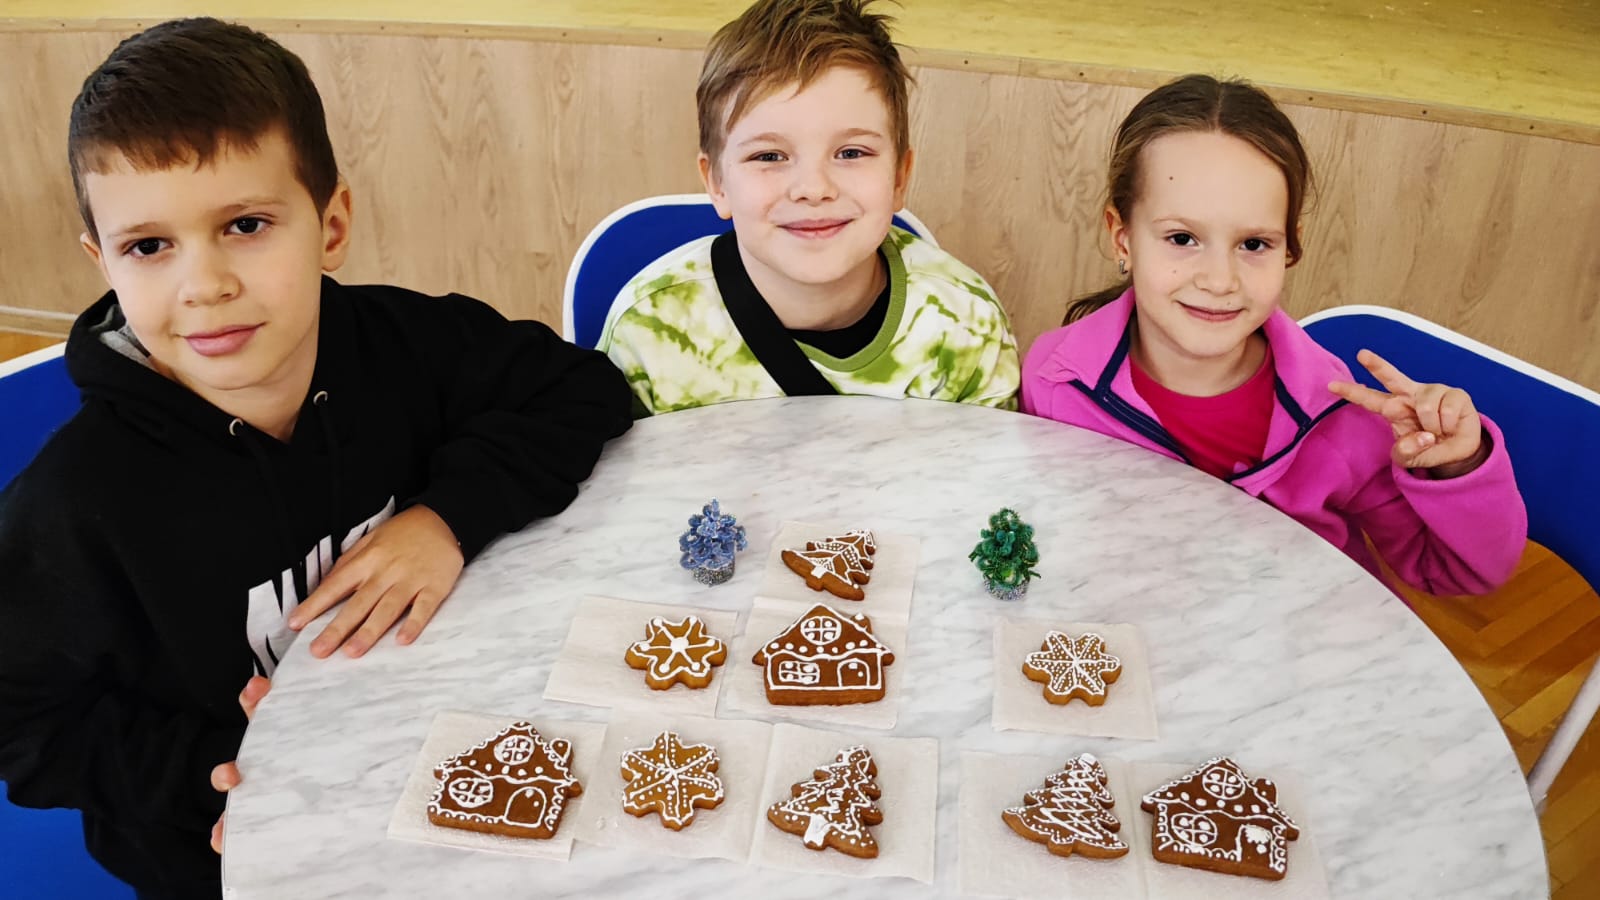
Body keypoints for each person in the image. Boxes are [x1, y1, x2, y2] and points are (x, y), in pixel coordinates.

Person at [0, 18, 632, 898]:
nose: (205, 284)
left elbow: (581, 390)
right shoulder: (74, 502)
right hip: (232, 848)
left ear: (331, 225)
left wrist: (444, 519)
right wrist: (222, 768)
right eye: (148, 246)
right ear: (102, 260)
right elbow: (25, 725)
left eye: (246, 224)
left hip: (444, 748)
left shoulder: (401, 342)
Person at [1020, 74, 1525, 595]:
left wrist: (1458, 466)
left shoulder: (1344, 419)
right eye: (1182, 238)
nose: (1220, 280)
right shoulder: (1054, 379)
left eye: (1253, 244)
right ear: (1122, 238)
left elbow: (1459, 572)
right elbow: (1040, 526)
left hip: (1302, 634)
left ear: (1289, 247)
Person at [598, 0, 1019, 416]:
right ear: (717, 184)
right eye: (769, 156)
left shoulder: (967, 322)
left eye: (851, 152)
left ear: (898, 178)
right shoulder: (647, 329)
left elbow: (991, 463)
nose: (814, 189)